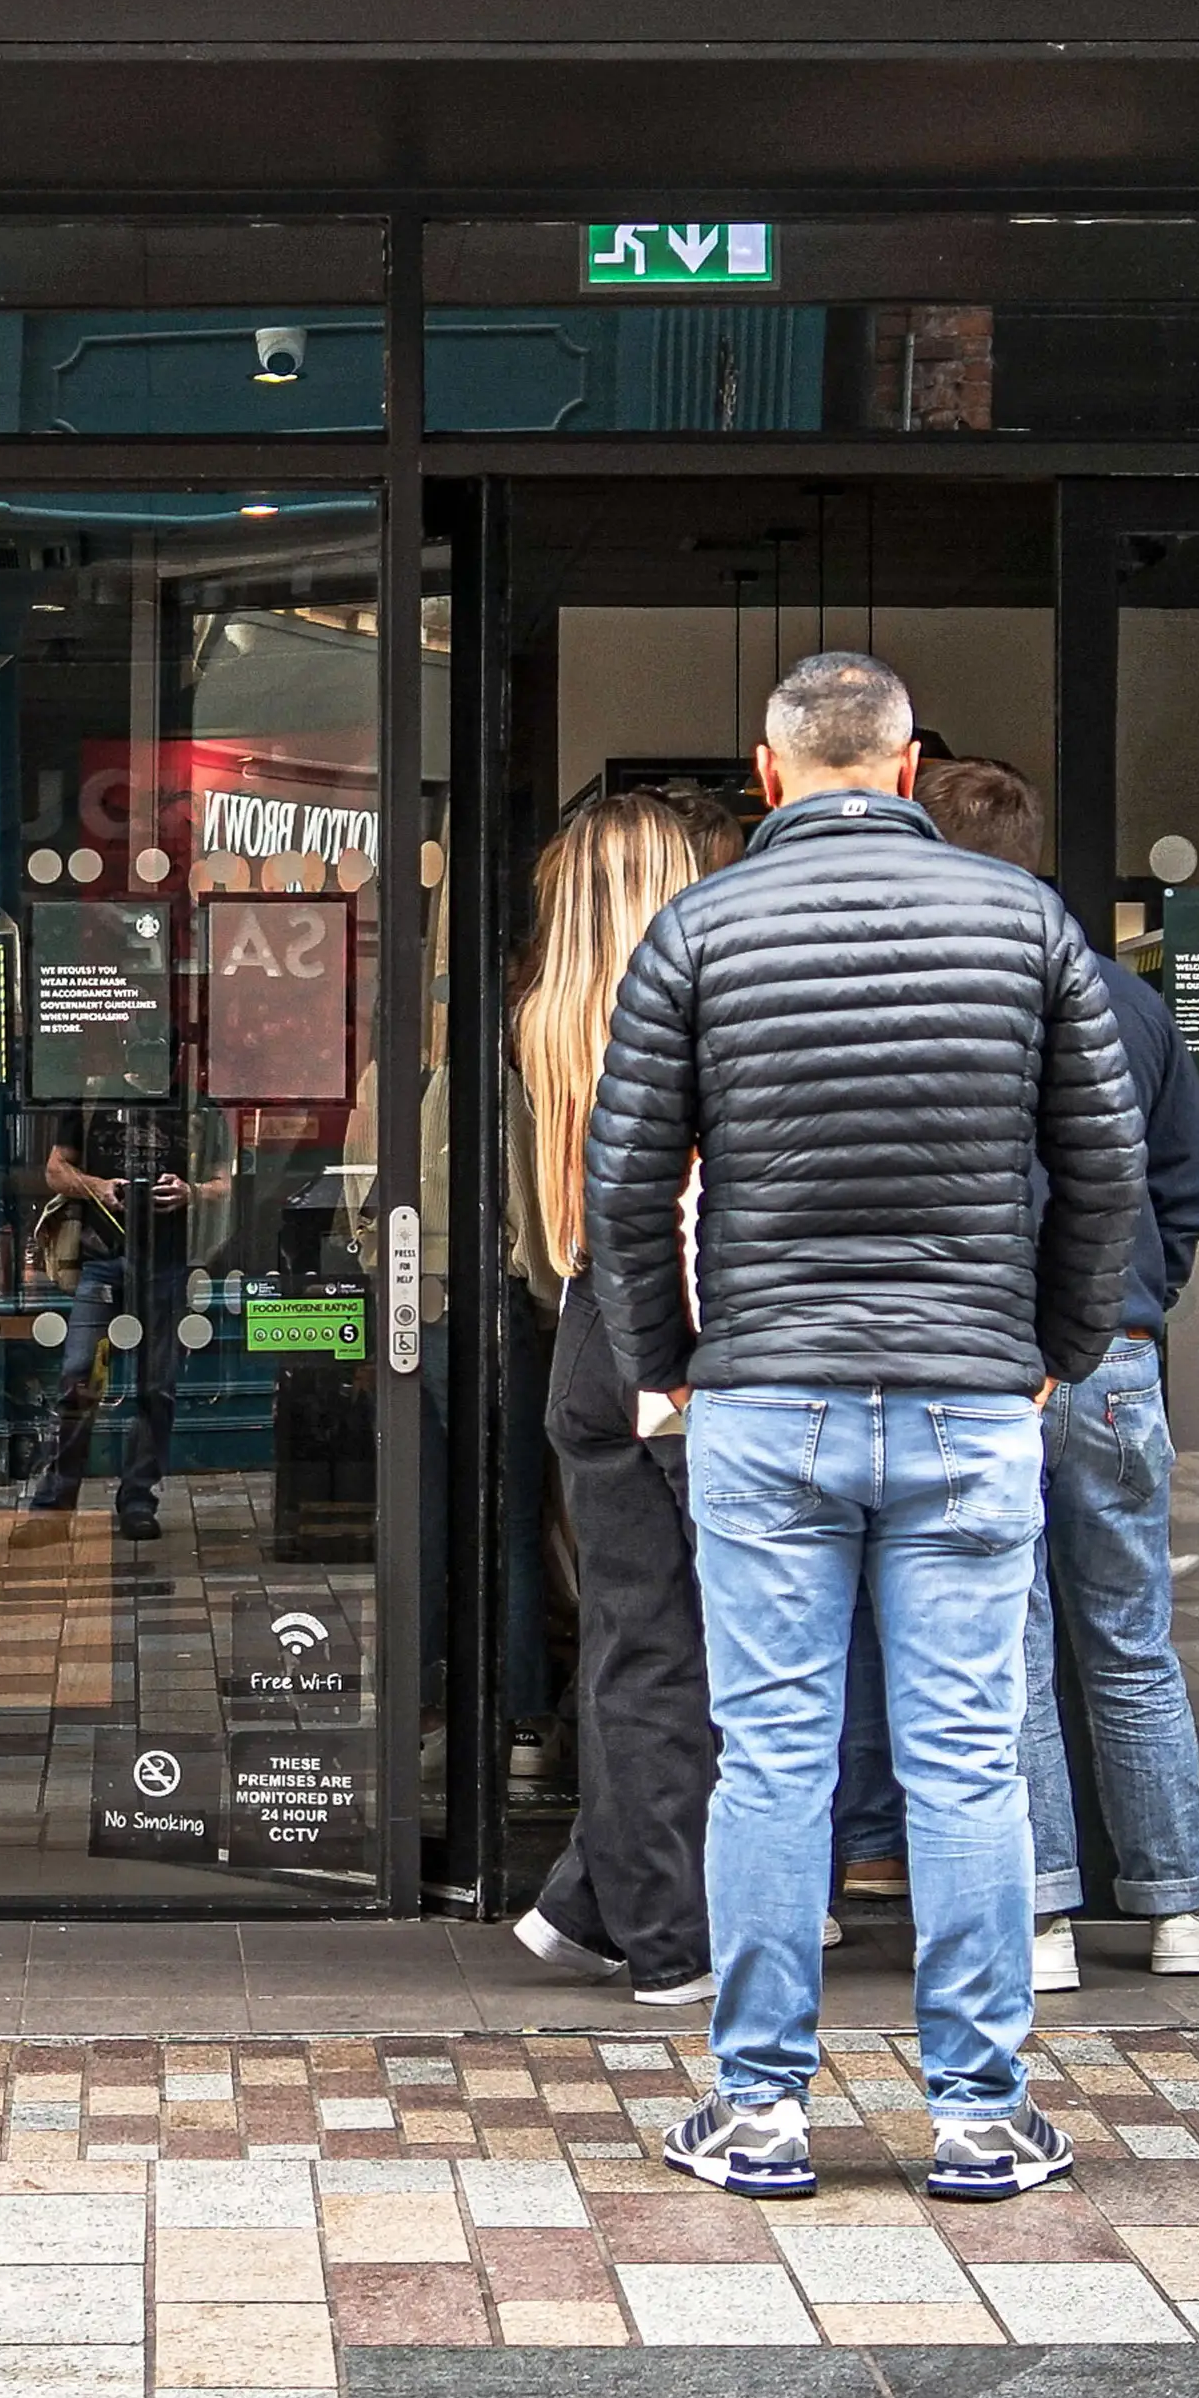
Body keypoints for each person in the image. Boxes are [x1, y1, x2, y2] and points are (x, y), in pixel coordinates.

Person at [585, 648, 1144, 2204]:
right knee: (968, 1759)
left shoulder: (698, 928)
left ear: (769, 778)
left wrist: (674, 1358)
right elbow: (1100, 1175)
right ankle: (978, 2112)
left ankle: (758, 2109)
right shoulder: (1028, 923)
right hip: (971, 1398)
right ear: (907, 771)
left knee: (772, 1759)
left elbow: (625, 1185)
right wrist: (1055, 1348)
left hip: (767, 1399)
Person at [900, 755, 1199, 1991]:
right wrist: (1131, 1302)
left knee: (1010, 1644)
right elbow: (1185, 1194)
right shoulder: (1128, 1002)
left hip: (983, 1356)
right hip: (1113, 1356)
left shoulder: (940, 994)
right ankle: (1180, 1906)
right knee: (1131, 1631)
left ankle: (1037, 1915)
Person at [503, 789, 721, 2008]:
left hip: (586, 1325)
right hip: (661, 1335)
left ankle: (589, 1900)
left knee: (636, 1635)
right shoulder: (680, 1008)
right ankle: (666, 1938)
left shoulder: (548, 1016)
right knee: (678, 1652)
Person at [25, 1097, 201, 1537]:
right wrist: (99, 1187)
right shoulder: (89, 1102)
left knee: (156, 1385)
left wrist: (191, 1192)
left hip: (167, 1261)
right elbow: (54, 1171)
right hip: (102, 1258)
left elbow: (228, 1181)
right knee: (78, 1377)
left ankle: (138, 1499)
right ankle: (55, 1502)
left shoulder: (192, 1106)